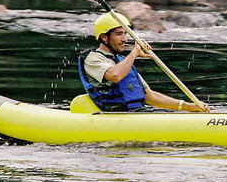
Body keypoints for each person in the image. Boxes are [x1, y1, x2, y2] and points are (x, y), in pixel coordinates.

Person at [78, 12, 210, 112]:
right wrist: (135, 52)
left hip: (136, 114)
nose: (124, 39)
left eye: (125, 34)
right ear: (104, 37)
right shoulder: (92, 58)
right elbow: (115, 76)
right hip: (114, 116)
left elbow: (150, 96)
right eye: (119, 34)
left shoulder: (122, 61)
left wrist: (186, 106)